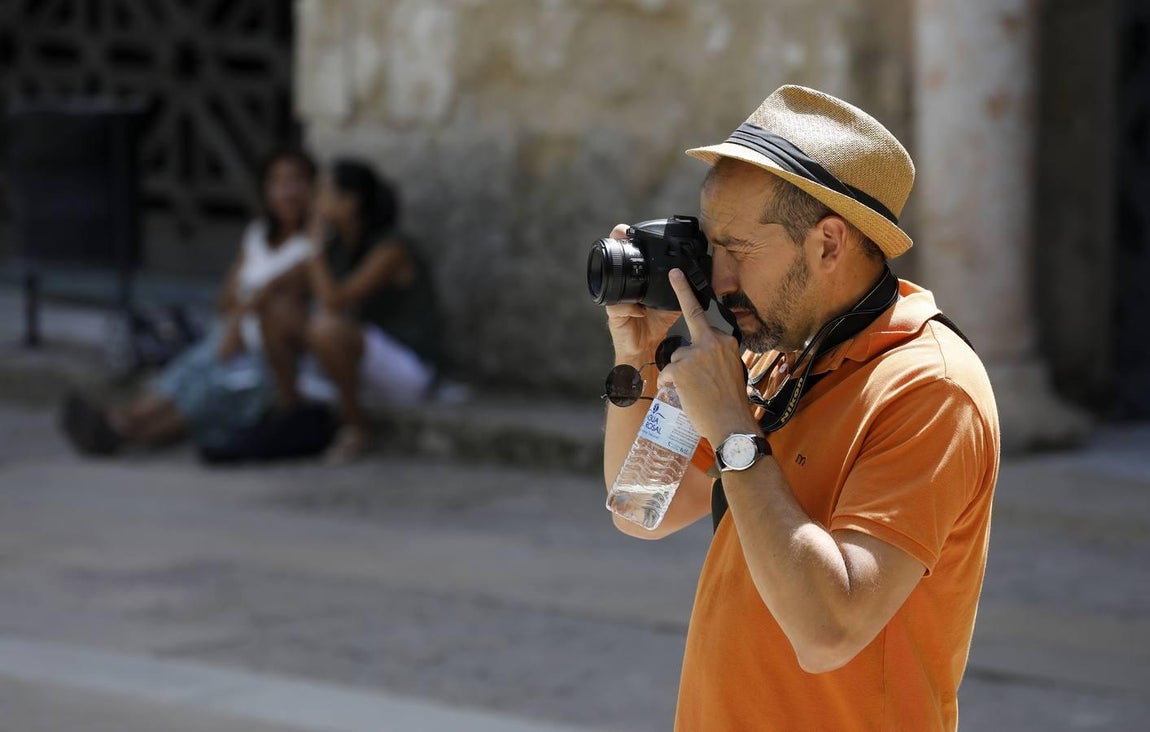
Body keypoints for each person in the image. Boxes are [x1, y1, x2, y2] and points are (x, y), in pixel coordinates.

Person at [600, 85, 999, 730]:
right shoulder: (778, 351)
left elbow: (829, 631)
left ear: (828, 244)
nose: (715, 279)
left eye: (737, 249)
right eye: (710, 248)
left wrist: (734, 431)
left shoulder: (930, 389)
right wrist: (636, 363)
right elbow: (644, 506)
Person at [60, 148, 317, 454]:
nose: (287, 192)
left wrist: (242, 313)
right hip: (229, 338)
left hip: (272, 357)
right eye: (278, 182)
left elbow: (270, 293)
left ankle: (123, 432)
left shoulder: (313, 244)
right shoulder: (258, 234)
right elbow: (227, 297)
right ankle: (122, 422)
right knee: (186, 375)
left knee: (207, 392)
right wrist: (237, 317)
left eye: (296, 181)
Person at [259, 159, 441, 462]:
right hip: (359, 358)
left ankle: (356, 429)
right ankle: (290, 414)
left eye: (323, 194)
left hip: (406, 366)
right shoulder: (339, 245)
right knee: (278, 314)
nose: (314, 203)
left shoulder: (391, 248)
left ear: (350, 203)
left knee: (326, 327)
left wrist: (314, 250)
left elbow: (334, 301)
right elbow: (277, 286)